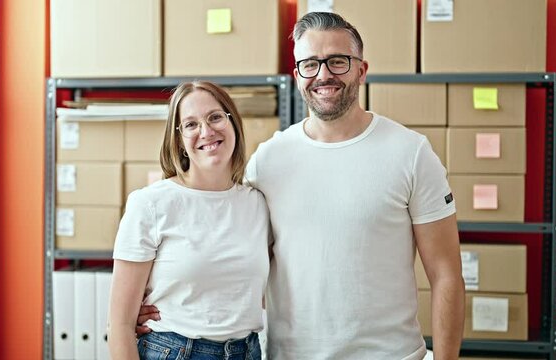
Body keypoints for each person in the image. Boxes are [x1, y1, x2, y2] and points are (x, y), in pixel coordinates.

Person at [138, 12, 465, 360]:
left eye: (338, 61)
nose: (323, 74)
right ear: (297, 77)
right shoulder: (267, 161)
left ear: (361, 69)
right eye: (310, 64)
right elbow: (226, 254)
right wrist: (158, 302)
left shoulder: (411, 153)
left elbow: (446, 275)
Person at [108, 81, 269, 360]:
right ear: (179, 139)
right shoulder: (150, 204)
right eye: (191, 124)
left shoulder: (256, 203)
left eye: (215, 117)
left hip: (248, 351)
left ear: (233, 123)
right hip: (176, 351)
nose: (206, 132)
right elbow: (120, 325)